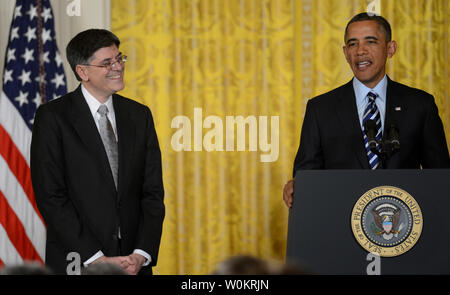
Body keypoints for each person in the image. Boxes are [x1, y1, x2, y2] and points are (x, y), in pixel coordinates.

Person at [30, 29, 165, 275]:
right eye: (107, 63)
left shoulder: (139, 115)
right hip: (77, 261)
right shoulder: (52, 117)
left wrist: (142, 254)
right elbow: (51, 196)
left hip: (133, 264)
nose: (118, 67)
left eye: (119, 58)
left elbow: (152, 192)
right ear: (83, 72)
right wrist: (95, 258)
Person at [283, 13, 450, 208]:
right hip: (339, 224)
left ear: (390, 48)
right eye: (353, 44)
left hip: (403, 226)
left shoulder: (420, 105)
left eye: (370, 42)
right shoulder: (320, 109)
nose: (360, 51)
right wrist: (298, 186)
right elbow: (307, 175)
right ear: (345, 53)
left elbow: (440, 177)